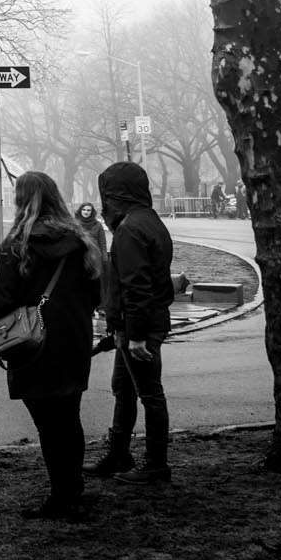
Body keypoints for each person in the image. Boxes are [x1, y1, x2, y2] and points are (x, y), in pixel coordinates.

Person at [0, 172, 103, 521]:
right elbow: (96, 294)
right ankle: (72, 488)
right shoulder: (81, 241)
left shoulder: (15, 245)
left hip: (33, 344)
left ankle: (62, 496)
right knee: (69, 418)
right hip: (74, 340)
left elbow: (1, 300)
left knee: (48, 425)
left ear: (22, 201)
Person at [92, 160, 175, 486]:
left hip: (137, 326)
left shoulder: (129, 229)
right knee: (124, 390)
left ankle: (155, 465)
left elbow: (135, 286)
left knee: (148, 394)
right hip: (140, 323)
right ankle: (119, 456)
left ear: (113, 194)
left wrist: (135, 336)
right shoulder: (150, 222)